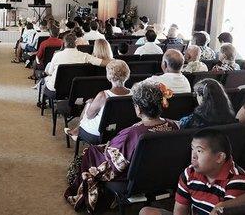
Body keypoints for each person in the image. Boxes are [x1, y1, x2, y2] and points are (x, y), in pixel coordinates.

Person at [65, 81, 179, 212]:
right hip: (165, 177)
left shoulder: (133, 134)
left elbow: (113, 164)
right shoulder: (175, 126)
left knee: (91, 152)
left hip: (134, 182)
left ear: (139, 109)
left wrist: (100, 149)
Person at [140, 129, 245, 215]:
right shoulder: (189, 173)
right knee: (146, 212)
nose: (193, 156)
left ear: (219, 157)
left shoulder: (237, 181)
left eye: (199, 151)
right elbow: (180, 212)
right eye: (192, 149)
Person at [64, 60, 131, 142]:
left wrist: (90, 103)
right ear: (127, 74)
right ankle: (76, 131)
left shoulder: (103, 95)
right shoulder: (134, 93)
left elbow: (89, 116)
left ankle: (77, 131)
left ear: (109, 76)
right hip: (124, 132)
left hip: (100, 134)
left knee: (89, 103)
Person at [43, 34, 109, 92]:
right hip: (76, 87)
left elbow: (50, 72)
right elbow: (102, 63)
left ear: (64, 43)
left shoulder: (57, 55)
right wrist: (115, 60)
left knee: (46, 77)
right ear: (76, 43)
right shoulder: (85, 56)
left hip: (56, 87)